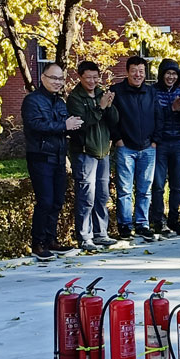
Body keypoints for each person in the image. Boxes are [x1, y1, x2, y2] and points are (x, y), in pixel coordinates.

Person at [22, 62, 84, 260]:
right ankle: (38, 244)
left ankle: (51, 240)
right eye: (54, 78)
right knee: (45, 201)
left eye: (60, 79)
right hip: (40, 156)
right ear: (43, 78)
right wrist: (64, 125)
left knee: (57, 201)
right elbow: (36, 125)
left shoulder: (60, 102)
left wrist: (73, 126)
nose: (58, 82)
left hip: (58, 156)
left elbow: (63, 126)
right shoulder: (32, 100)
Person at [66, 61, 117, 251]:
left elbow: (114, 120)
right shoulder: (75, 98)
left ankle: (101, 233)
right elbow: (82, 123)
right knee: (86, 196)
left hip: (103, 151)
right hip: (85, 152)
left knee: (102, 195)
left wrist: (109, 106)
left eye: (96, 77)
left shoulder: (101, 93)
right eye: (88, 77)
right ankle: (85, 236)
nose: (92, 81)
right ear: (80, 77)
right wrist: (100, 108)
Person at [111, 56, 163, 242]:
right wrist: (117, 139)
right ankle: (125, 225)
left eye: (141, 71)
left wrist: (155, 141)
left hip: (148, 148)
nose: (138, 74)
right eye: (134, 71)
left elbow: (159, 116)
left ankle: (142, 224)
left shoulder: (151, 92)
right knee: (124, 189)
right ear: (127, 72)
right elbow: (110, 118)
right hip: (125, 147)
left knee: (145, 189)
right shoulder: (117, 91)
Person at [148, 59, 180, 236]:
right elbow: (154, 116)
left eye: (174, 74)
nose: (171, 77)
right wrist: (171, 109)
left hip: (178, 142)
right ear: (161, 74)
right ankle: (158, 221)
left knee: (177, 185)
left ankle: (174, 220)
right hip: (160, 142)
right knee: (158, 184)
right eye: (168, 73)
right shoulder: (153, 91)